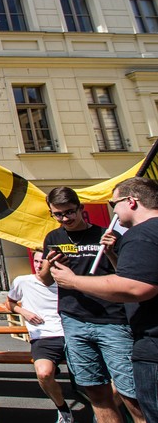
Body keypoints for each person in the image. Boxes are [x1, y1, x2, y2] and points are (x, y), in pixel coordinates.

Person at [51, 178, 158, 421]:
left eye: (69, 212)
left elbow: (134, 283)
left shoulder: (116, 235)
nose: (65, 218)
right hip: (75, 319)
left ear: (80, 209)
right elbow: (46, 278)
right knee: (95, 391)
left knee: (133, 394)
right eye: (58, 214)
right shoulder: (53, 238)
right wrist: (50, 269)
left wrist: (109, 254)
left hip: (112, 321)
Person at [7, 251, 71, 423]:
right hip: (43, 337)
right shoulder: (23, 281)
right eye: (36, 261)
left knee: (99, 379)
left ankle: (102, 411)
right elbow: (10, 303)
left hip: (71, 333)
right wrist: (24, 312)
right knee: (43, 374)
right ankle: (63, 409)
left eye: (43, 261)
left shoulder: (65, 281)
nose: (38, 265)